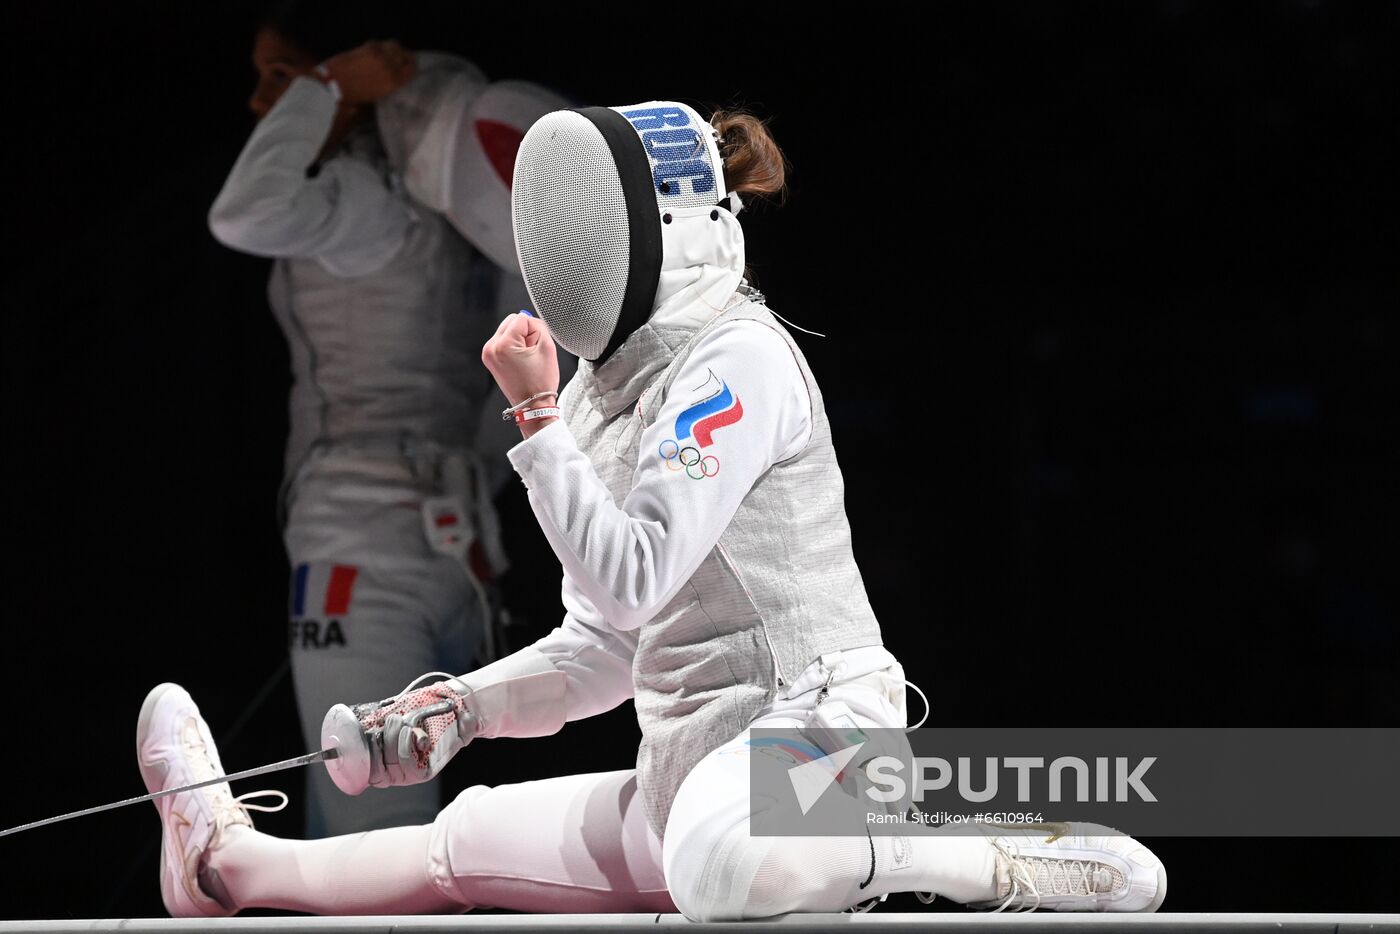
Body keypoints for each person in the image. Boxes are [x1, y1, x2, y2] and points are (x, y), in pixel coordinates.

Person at [141, 99, 1168, 919]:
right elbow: (606, 637)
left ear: (659, 230)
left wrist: (534, 419)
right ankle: (225, 863)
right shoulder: (603, 395)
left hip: (818, 739)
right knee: (467, 840)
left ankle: (977, 853)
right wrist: (461, 710)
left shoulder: (739, 359)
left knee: (719, 863)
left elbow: (632, 574)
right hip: (697, 766)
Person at [207, 3, 516, 838]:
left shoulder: (364, 207)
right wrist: (478, 476)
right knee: (400, 831)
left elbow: (242, 214)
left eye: (281, 75)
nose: (260, 101)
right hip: (461, 546)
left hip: (360, 545)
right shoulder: (452, 207)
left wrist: (327, 85)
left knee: (368, 839)